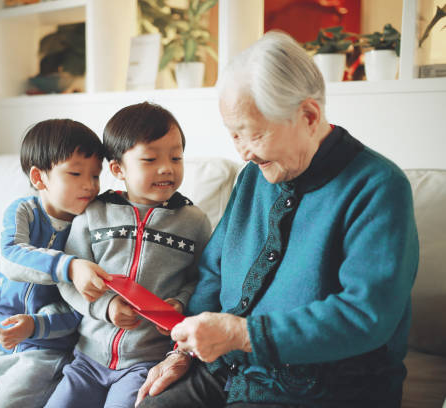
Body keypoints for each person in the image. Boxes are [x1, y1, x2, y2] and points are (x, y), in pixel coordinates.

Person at [135, 31, 419, 408]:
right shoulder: (255, 175)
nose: (243, 152)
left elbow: (366, 315)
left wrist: (243, 334)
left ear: (308, 115)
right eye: (233, 135)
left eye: (253, 135)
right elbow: (213, 272)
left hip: (325, 389)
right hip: (230, 370)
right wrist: (181, 351)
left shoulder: (378, 187)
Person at [42, 102, 213, 408]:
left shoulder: (194, 221)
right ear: (117, 169)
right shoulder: (94, 215)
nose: (167, 168)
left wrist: (181, 303)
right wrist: (105, 308)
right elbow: (68, 280)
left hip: (145, 361)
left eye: (176, 157)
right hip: (87, 358)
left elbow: (202, 279)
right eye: (150, 159)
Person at [0, 119, 107, 408]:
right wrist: (68, 266)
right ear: (39, 178)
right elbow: (12, 256)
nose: (89, 185)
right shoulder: (23, 210)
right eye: (75, 173)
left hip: (43, 351)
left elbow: (81, 309)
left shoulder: (91, 227)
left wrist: (35, 326)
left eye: (96, 176)